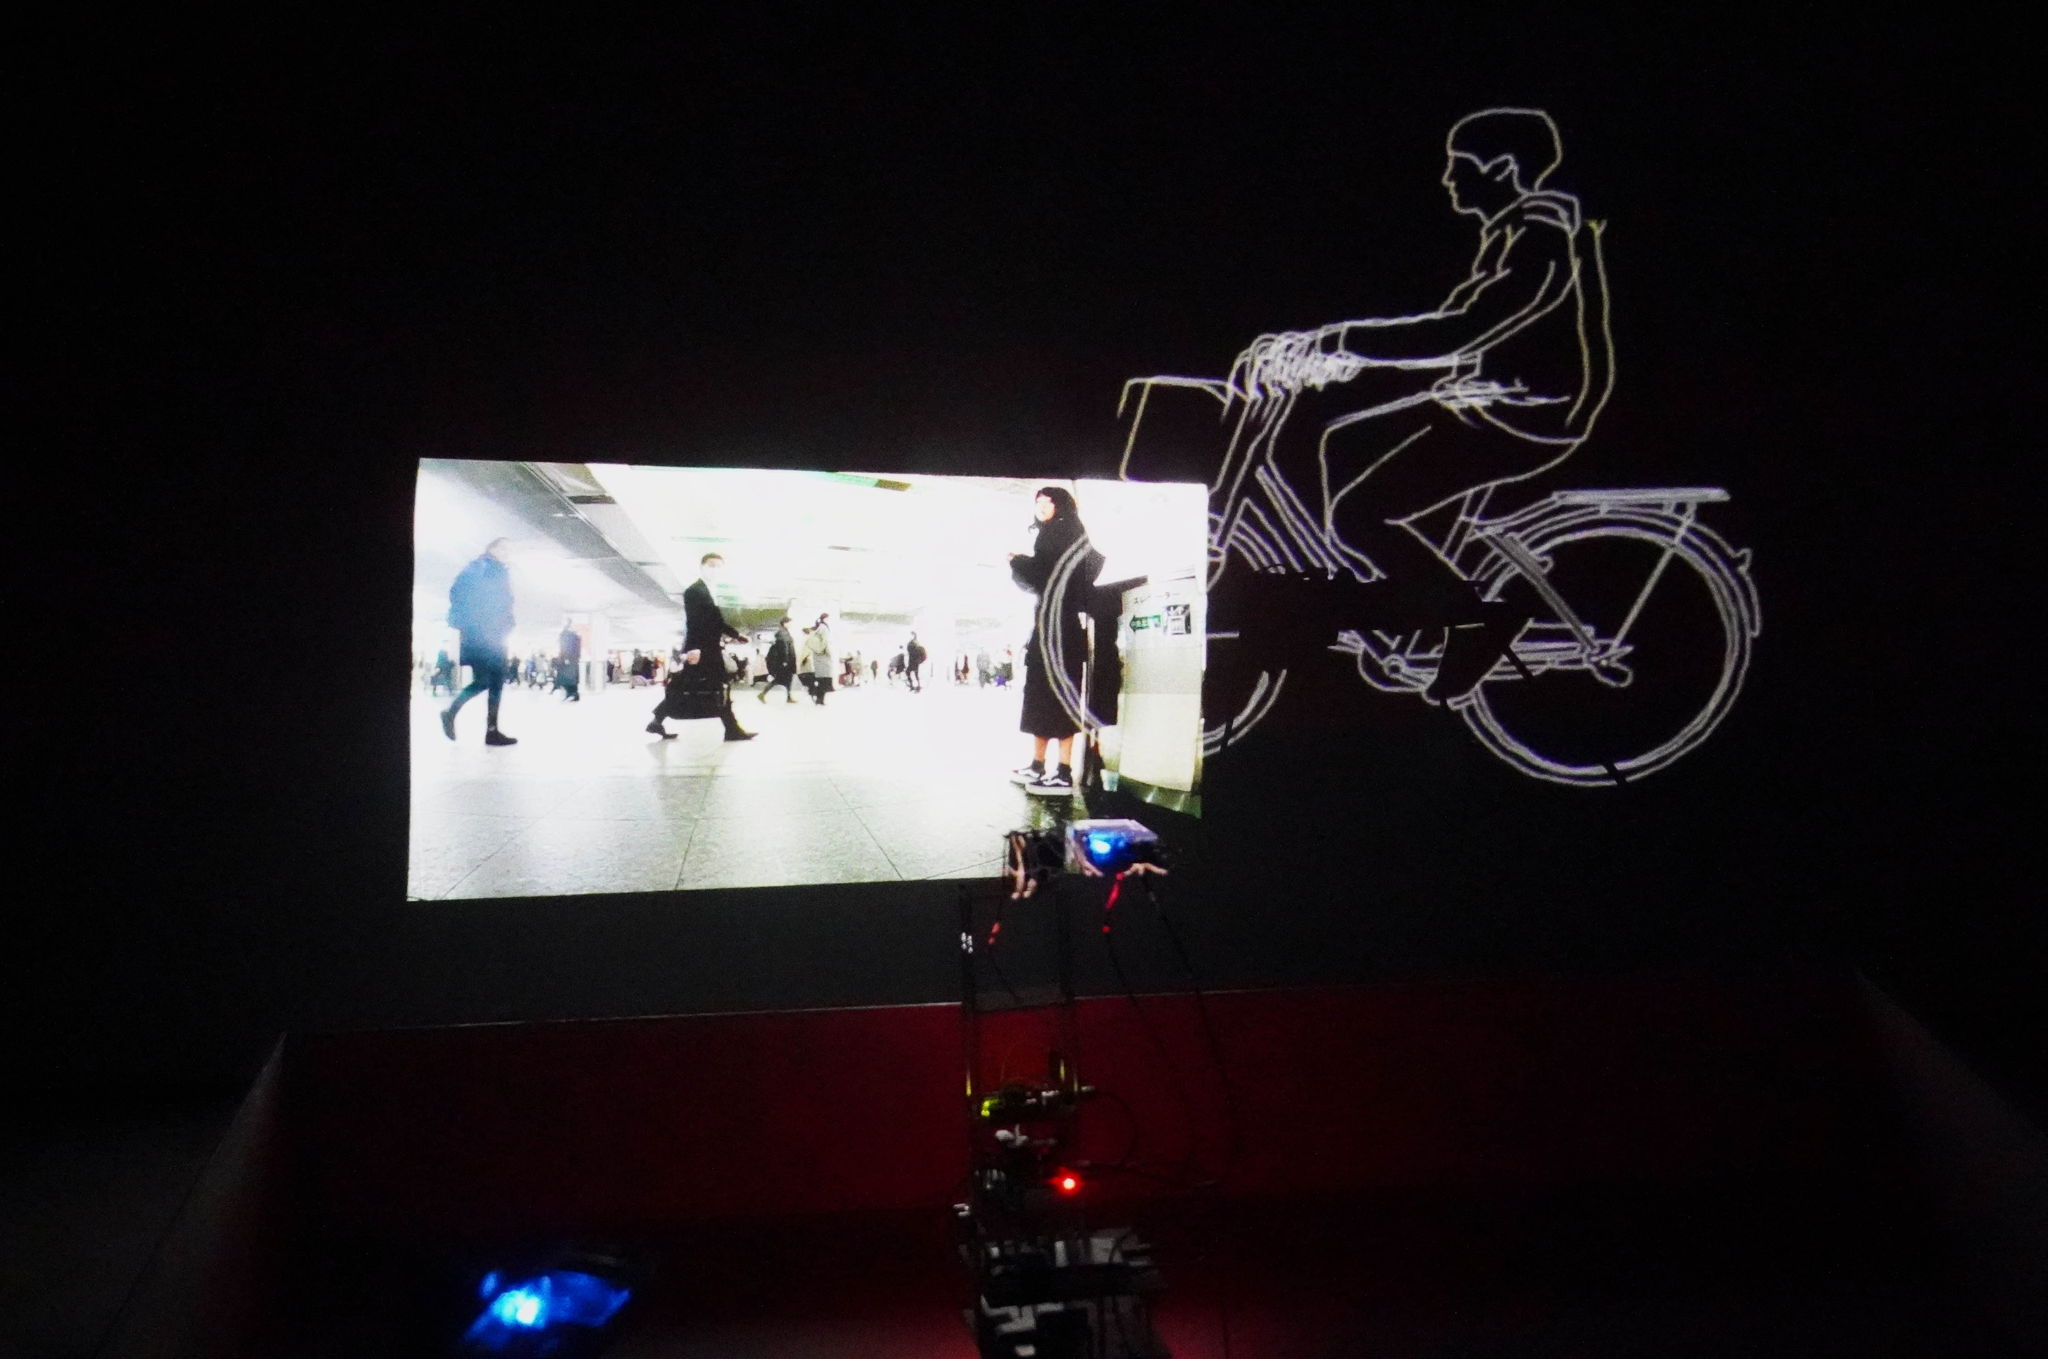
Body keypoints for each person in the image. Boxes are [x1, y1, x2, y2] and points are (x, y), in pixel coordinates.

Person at [1231, 108, 1614, 704]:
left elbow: (1464, 331)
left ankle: (1474, 622)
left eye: (1461, 166)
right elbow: (1454, 329)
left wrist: (1338, 342)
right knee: (1343, 439)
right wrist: (1335, 359)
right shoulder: (1512, 233)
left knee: (1361, 515)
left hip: (1529, 412)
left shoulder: (1541, 239)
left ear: (1502, 167)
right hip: (1489, 396)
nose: (1448, 178)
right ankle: (1408, 601)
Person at [1007, 488, 1102, 796]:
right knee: (1042, 696)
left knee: (1055, 699)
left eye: (1046, 501)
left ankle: (1062, 772)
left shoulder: (1063, 530)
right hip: (1056, 626)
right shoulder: (1058, 531)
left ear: (1060, 504)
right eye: (1037, 501)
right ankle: (1039, 765)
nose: (1040, 506)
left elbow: (1047, 574)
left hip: (1059, 630)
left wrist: (1020, 562)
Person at [648, 553, 756, 741]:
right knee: (693, 685)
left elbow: (715, 621)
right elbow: (694, 622)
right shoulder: (694, 591)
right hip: (702, 650)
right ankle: (731, 729)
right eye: (711, 565)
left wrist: (736, 635)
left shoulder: (707, 590)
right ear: (702, 567)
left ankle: (657, 721)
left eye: (719, 567)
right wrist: (694, 648)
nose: (715, 570)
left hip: (708, 649)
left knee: (698, 685)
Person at [439, 538, 518, 746]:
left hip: (490, 635)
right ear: (491, 548)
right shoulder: (481, 567)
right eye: (503, 548)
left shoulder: (494, 570)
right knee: (490, 680)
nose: (507, 553)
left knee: (490, 680)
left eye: (509, 550)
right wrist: (484, 620)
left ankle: (487, 728)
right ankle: (485, 729)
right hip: (484, 635)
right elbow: (460, 594)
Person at [759, 615, 800, 703]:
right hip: (786, 661)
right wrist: (785, 660)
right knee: (779, 680)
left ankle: (788, 697)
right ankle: (762, 694)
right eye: (789, 623)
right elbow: (784, 648)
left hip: (787, 660)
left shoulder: (785, 632)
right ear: (784, 623)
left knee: (788, 679)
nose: (791, 624)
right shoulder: (782, 633)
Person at [802, 612, 835, 705]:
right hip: (823, 658)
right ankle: (818, 698)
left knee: (822, 680)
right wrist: (829, 652)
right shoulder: (823, 628)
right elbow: (825, 643)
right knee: (824, 680)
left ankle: (819, 699)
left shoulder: (820, 628)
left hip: (821, 658)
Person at [555, 618, 582, 701]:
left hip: (568, 659)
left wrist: (566, 658)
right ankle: (573, 694)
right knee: (571, 678)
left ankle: (572, 694)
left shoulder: (567, 635)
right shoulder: (574, 635)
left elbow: (565, 647)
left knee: (567, 678)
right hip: (572, 659)